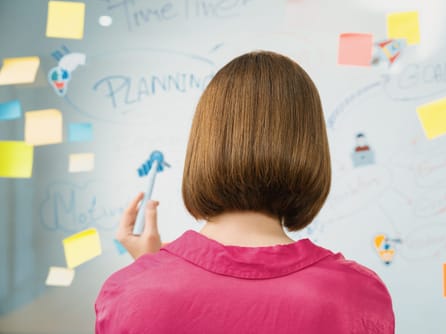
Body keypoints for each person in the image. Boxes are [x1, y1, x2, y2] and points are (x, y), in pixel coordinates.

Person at [95, 51, 395, 333]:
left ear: (204, 147)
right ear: (310, 150)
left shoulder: (128, 293)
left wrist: (149, 274)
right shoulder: (357, 297)